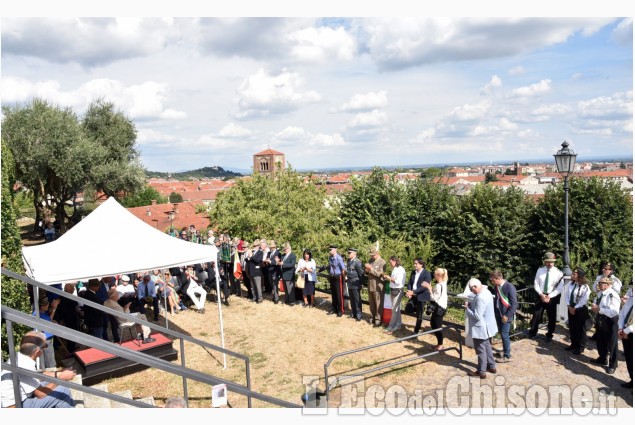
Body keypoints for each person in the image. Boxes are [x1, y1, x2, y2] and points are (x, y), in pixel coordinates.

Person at [1, 331, 76, 408]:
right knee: (63, 390)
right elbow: (40, 394)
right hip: (16, 405)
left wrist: (58, 374)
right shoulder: (25, 365)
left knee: (51, 383)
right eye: (45, 346)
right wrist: (61, 378)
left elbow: (37, 376)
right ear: (37, 351)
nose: (46, 347)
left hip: (17, 399)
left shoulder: (18, 356)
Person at [464, 278, 498, 379]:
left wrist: (467, 309)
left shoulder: (480, 297)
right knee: (487, 347)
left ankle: (481, 371)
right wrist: (472, 306)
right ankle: (492, 366)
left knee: (480, 350)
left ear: (475, 287)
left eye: (471, 289)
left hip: (481, 328)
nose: (471, 292)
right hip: (487, 327)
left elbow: (477, 316)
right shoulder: (487, 292)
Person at [527, 252, 564, 342]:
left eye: (552, 262)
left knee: (551, 317)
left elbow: (559, 288)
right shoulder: (540, 270)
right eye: (548, 261)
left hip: (552, 297)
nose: (550, 264)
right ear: (544, 261)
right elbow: (536, 283)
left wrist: (549, 296)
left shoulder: (559, 273)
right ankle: (532, 333)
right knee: (536, 315)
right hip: (541, 295)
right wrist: (541, 294)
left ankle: (549, 335)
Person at [591, 276, 620, 374]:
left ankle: (613, 364)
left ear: (608, 285)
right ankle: (602, 358)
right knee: (600, 340)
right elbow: (596, 302)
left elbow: (614, 311)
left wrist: (600, 309)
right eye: (599, 283)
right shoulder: (600, 293)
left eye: (602, 283)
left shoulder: (612, 295)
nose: (600, 285)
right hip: (601, 318)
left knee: (612, 344)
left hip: (610, 320)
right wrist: (594, 307)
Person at [490, 270, 518, 362]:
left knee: (505, 334)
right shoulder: (497, 286)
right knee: (502, 333)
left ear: (498, 278)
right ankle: (505, 350)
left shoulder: (509, 287)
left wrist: (507, 316)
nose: (492, 282)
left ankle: (507, 356)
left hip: (506, 315)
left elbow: (514, 304)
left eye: (493, 280)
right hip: (499, 313)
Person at [564, 267, 591, 355]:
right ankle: (573, 344)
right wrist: (569, 306)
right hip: (571, 308)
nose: (572, 275)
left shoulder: (585, 287)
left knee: (581, 329)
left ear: (579, 276)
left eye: (574, 274)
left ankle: (580, 347)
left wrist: (575, 308)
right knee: (572, 328)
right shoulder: (571, 284)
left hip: (580, 310)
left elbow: (584, 300)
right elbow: (567, 295)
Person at [423, 267, 449, 351]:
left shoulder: (439, 286)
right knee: (434, 324)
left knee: (436, 326)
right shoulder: (444, 283)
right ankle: (439, 344)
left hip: (439, 308)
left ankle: (440, 345)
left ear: (438, 275)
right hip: (442, 307)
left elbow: (434, 298)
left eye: (435, 274)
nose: (433, 275)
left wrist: (429, 289)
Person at [405, 258, 432, 334]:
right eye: (414, 263)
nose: (414, 265)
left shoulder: (427, 273)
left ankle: (416, 331)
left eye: (416, 263)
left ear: (421, 264)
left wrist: (413, 292)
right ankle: (416, 308)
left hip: (422, 296)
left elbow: (424, 287)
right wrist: (409, 291)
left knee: (419, 315)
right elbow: (410, 282)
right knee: (408, 309)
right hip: (413, 295)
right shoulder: (413, 272)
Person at [32, 297, 59, 368]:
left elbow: (48, 320)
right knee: (50, 363)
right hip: (45, 340)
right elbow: (47, 322)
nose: (48, 305)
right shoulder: (37, 314)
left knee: (45, 362)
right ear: (42, 306)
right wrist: (54, 308)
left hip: (45, 339)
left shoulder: (41, 313)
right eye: (47, 305)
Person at [53, 283, 80, 353]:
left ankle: (72, 347)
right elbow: (62, 310)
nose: (74, 289)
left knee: (73, 334)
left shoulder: (64, 297)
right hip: (69, 319)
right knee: (71, 334)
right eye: (72, 288)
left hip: (70, 318)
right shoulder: (65, 297)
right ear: (68, 289)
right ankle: (71, 349)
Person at [382, 256, 406, 333]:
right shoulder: (395, 269)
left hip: (398, 290)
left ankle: (391, 325)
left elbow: (398, 281)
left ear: (395, 261)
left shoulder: (401, 270)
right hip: (393, 290)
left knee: (394, 309)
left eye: (391, 262)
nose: (390, 264)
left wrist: (389, 278)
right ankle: (398, 324)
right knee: (396, 308)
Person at [365, 247, 386, 327]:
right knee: (372, 303)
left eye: (373, 255)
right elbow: (367, 273)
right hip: (370, 285)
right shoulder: (370, 261)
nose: (371, 257)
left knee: (378, 303)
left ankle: (378, 319)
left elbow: (380, 274)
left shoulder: (382, 262)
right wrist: (366, 270)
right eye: (371, 255)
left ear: (377, 254)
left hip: (378, 286)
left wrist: (371, 269)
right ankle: (372, 317)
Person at [618, 285, 633, 388]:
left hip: (630, 331)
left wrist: (627, 330)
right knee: (629, 357)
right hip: (625, 331)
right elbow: (623, 313)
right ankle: (632, 379)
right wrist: (620, 328)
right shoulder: (631, 300)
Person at [326, 245, 346, 317]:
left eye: (331, 250)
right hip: (332, 277)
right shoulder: (330, 257)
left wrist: (344, 278)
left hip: (338, 277)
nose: (329, 251)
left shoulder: (339, 258)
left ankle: (340, 310)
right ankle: (334, 308)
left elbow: (343, 269)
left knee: (339, 294)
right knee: (333, 294)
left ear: (335, 250)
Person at [346, 248, 365, 321]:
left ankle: (358, 314)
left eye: (350, 253)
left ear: (354, 254)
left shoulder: (357, 262)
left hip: (356, 282)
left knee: (357, 299)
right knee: (352, 298)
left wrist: (361, 284)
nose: (349, 254)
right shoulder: (349, 261)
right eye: (348, 253)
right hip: (350, 282)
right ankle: (353, 312)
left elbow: (361, 274)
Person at [277, 242, 297, 306]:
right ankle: (287, 299)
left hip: (290, 274)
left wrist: (283, 264)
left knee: (290, 289)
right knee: (285, 288)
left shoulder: (293, 255)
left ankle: (292, 301)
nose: (284, 250)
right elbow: (280, 262)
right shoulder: (283, 255)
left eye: (285, 249)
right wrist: (278, 261)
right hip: (283, 274)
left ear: (289, 249)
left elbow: (292, 265)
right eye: (284, 249)